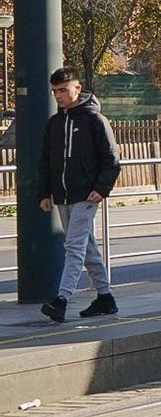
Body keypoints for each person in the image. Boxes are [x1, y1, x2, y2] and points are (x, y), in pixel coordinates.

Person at [37, 68, 121, 323]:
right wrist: (44, 192)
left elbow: (111, 159)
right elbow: (46, 161)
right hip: (63, 196)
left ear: (77, 88)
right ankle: (105, 297)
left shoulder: (95, 120)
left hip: (87, 195)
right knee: (87, 248)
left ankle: (62, 299)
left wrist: (101, 188)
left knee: (73, 246)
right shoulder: (54, 123)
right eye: (54, 91)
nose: (58, 96)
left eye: (63, 90)